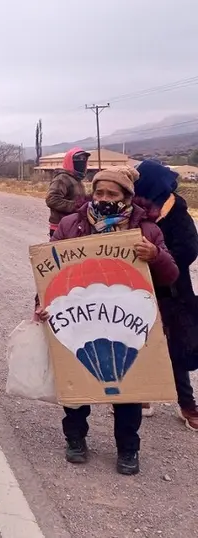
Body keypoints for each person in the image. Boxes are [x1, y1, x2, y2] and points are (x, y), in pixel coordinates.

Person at [35, 168, 178, 475]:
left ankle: (128, 448)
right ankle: (75, 439)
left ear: (127, 197)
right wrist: (41, 305)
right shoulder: (71, 225)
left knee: (129, 389)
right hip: (81, 318)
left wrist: (155, 256)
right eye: (99, 193)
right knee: (76, 380)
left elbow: (170, 276)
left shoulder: (147, 230)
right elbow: (48, 272)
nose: (103, 199)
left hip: (125, 321)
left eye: (112, 194)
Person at [134, 159, 198, 431]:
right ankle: (142, 398)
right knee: (138, 341)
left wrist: (159, 257)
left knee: (175, 349)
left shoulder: (176, 211)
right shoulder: (134, 210)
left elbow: (189, 250)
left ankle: (187, 405)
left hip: (172, 292)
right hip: (138, 289)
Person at [45, 147, 90, 237]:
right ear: (70, 162)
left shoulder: (77, 180)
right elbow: (52, 200)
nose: (81, 164)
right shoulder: (61, 178)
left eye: (83, 161)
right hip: (60, 226)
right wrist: (76, 206)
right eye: (78, 161)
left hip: (74, 225)